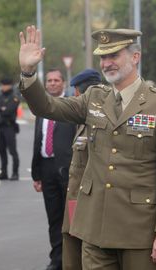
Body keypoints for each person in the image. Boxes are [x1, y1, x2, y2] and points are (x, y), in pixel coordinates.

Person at [19, 25, 156, 269]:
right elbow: (47, 107)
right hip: (95, 229)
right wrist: (28, 72)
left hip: (139, 231)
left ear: (135, 57)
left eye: (114, 55)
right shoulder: (94, 98)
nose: (107, 63)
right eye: (103, 57)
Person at [31, 69, 77, 270]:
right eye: (49, 80)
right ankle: (56, 260)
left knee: (71, 218)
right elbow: (38, 141)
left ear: (63, 83)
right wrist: (36, 174)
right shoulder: (41, 109)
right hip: (46, 168)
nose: (52, 84)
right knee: (54, 218)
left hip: (66, 170)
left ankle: (72, 260)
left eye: (56, 80)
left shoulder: (70, 107)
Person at [62, 68, 101, 270]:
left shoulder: (98, 123)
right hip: (75, 200)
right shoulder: (82, 122)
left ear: (79, 92)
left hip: (88, 202)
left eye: (76, 91)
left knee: (87, 256)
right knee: (72, 253)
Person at [0, 78, 20, 180]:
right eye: (2, 85)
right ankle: (3, 172)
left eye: (4, 85)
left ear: (9, 86)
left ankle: (15, 173)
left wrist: (0, 109)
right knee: (1, 150)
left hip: (9, 127)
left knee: (12, 151)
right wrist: (0, 109)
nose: (2, 87)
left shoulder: (14, 98)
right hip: (0, 127)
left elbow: (8, 111)